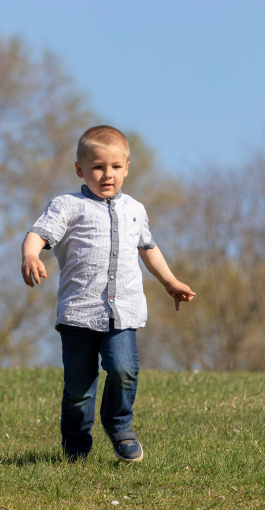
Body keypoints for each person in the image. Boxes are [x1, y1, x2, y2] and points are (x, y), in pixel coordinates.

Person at [21, 125, 195, 462]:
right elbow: (37, 234)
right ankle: (76, 446)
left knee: (123, 369)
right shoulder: (68, 206)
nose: (107, 174)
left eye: (116, 167)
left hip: (123, 312)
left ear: (127, 168)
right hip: (79, 313)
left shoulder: (135, 209)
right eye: (98, 167)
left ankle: (119, 424)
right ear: (80, 170)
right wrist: (30, 254)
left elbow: (149, 249)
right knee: (79, 390)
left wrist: (170, 281)